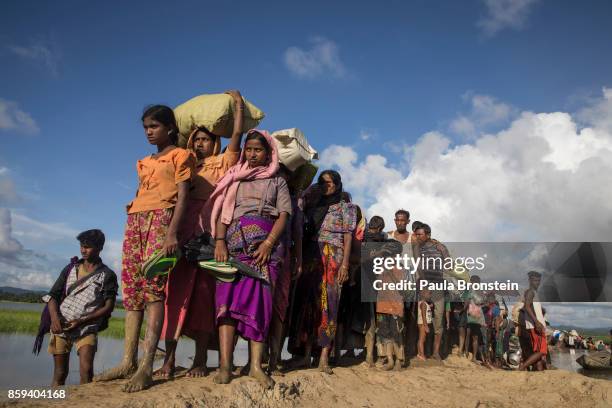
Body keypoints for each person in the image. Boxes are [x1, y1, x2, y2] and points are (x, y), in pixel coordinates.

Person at [94, 105, 194, 393]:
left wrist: (172, 233)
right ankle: (127, 360)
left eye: (154, 126)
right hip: (136, 219)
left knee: (153, 289)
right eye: (146, 127)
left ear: (170, 128)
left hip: (162, 220)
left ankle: (146, 366)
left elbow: (184, 198)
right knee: (133, 289)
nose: (149, 132)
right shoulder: (144, 160)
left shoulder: (181, 156)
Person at [157, 90, 244, 379]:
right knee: (174, 294)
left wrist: (238, 108)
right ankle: (168, 360)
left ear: (214, 142)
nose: (199, 143)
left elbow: (236, 140)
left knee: (204, 296)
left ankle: (199, 360)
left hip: (209, 232)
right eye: (196, 139)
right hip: (182, 231)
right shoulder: (186, 164)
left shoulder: (223, 162)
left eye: (205, 139)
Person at [208, 129, 291, 388]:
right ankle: (225, 366)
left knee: (261, 304)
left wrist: (268, 244)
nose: (252, 154)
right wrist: (220, 241)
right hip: (233, 245)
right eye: (249, 149)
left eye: (258, 150)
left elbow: (283, 215)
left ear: (268, 153)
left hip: (265, 250)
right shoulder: (234, 179)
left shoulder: (277, 181)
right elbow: (223, 212)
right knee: (226, 303)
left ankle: (255, 365)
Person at [288, 170, 356, 374]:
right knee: (308, 305)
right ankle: (306, 355)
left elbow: (348, 237)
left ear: (337, 184)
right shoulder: (313, 205)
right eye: (322, 183)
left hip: (333, 257)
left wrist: (345, 265)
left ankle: (324, 356)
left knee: (330, 305)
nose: (326, 186)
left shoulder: (346, 207)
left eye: (330, 183)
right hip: (311, 257)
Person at [45, 229, 118, 386]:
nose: (83, 250)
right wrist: (55, 318)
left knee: (86, 371)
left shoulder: (107, 275)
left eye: (88, 246)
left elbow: (108, 306)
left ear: (100, 248)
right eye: (81, 246)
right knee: (60, 372)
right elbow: (52, 296)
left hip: (87, 327)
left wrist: (81, 320)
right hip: (62, 325)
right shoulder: (71, 268)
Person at [267, 164, 303, 375]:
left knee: (279, 309)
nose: (280, 177)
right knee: (259, 305)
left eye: (284, 173)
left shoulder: (294, 200)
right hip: (258, 252)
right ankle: (255, 359)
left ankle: (274, 358)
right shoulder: (261, 188)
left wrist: (298, 259)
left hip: (284, 255)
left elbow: (297, 231)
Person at [371, 216, 405, 370]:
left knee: (394, 332)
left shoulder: (397, 267)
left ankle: (396, 360)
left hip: (392, 304)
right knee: (388, 332)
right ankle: (393, 360)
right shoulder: (385, 265)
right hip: (385, 303)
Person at [414, 223, 450, 360]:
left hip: (438, 288)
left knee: (438, 320)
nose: (417, 237)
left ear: (428, 235)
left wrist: (444, 251)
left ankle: (436, 352)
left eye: (420, 234)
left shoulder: (440, 246)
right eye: (416, 234)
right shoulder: (418, 247)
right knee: (423, 321)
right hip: (425, 287)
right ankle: (422, 351)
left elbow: (448, 264)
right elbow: (418, 267)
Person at [519, 271, 547, 371]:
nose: (537, 283)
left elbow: (531, 307)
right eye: (535, 280)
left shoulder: (533, 292)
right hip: (535, 325)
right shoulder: (530, 292)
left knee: (537, 352)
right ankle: (521, 368)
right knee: (541, 351)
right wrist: (536, 322)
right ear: (530, 280)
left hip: (535, 324)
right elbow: (526, 306)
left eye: (539, 280)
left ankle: (539, 372)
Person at [417, 289, 433, 360]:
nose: (430, 295)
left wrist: (430, 306)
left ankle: (419, 353)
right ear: (423, 295)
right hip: (423, 324)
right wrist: (426, 326)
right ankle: (422, 355)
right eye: (429, 294)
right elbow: (423, 315)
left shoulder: (424, 303)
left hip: (422, 323)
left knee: (421, 339)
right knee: (422, 339)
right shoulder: (423, 304)